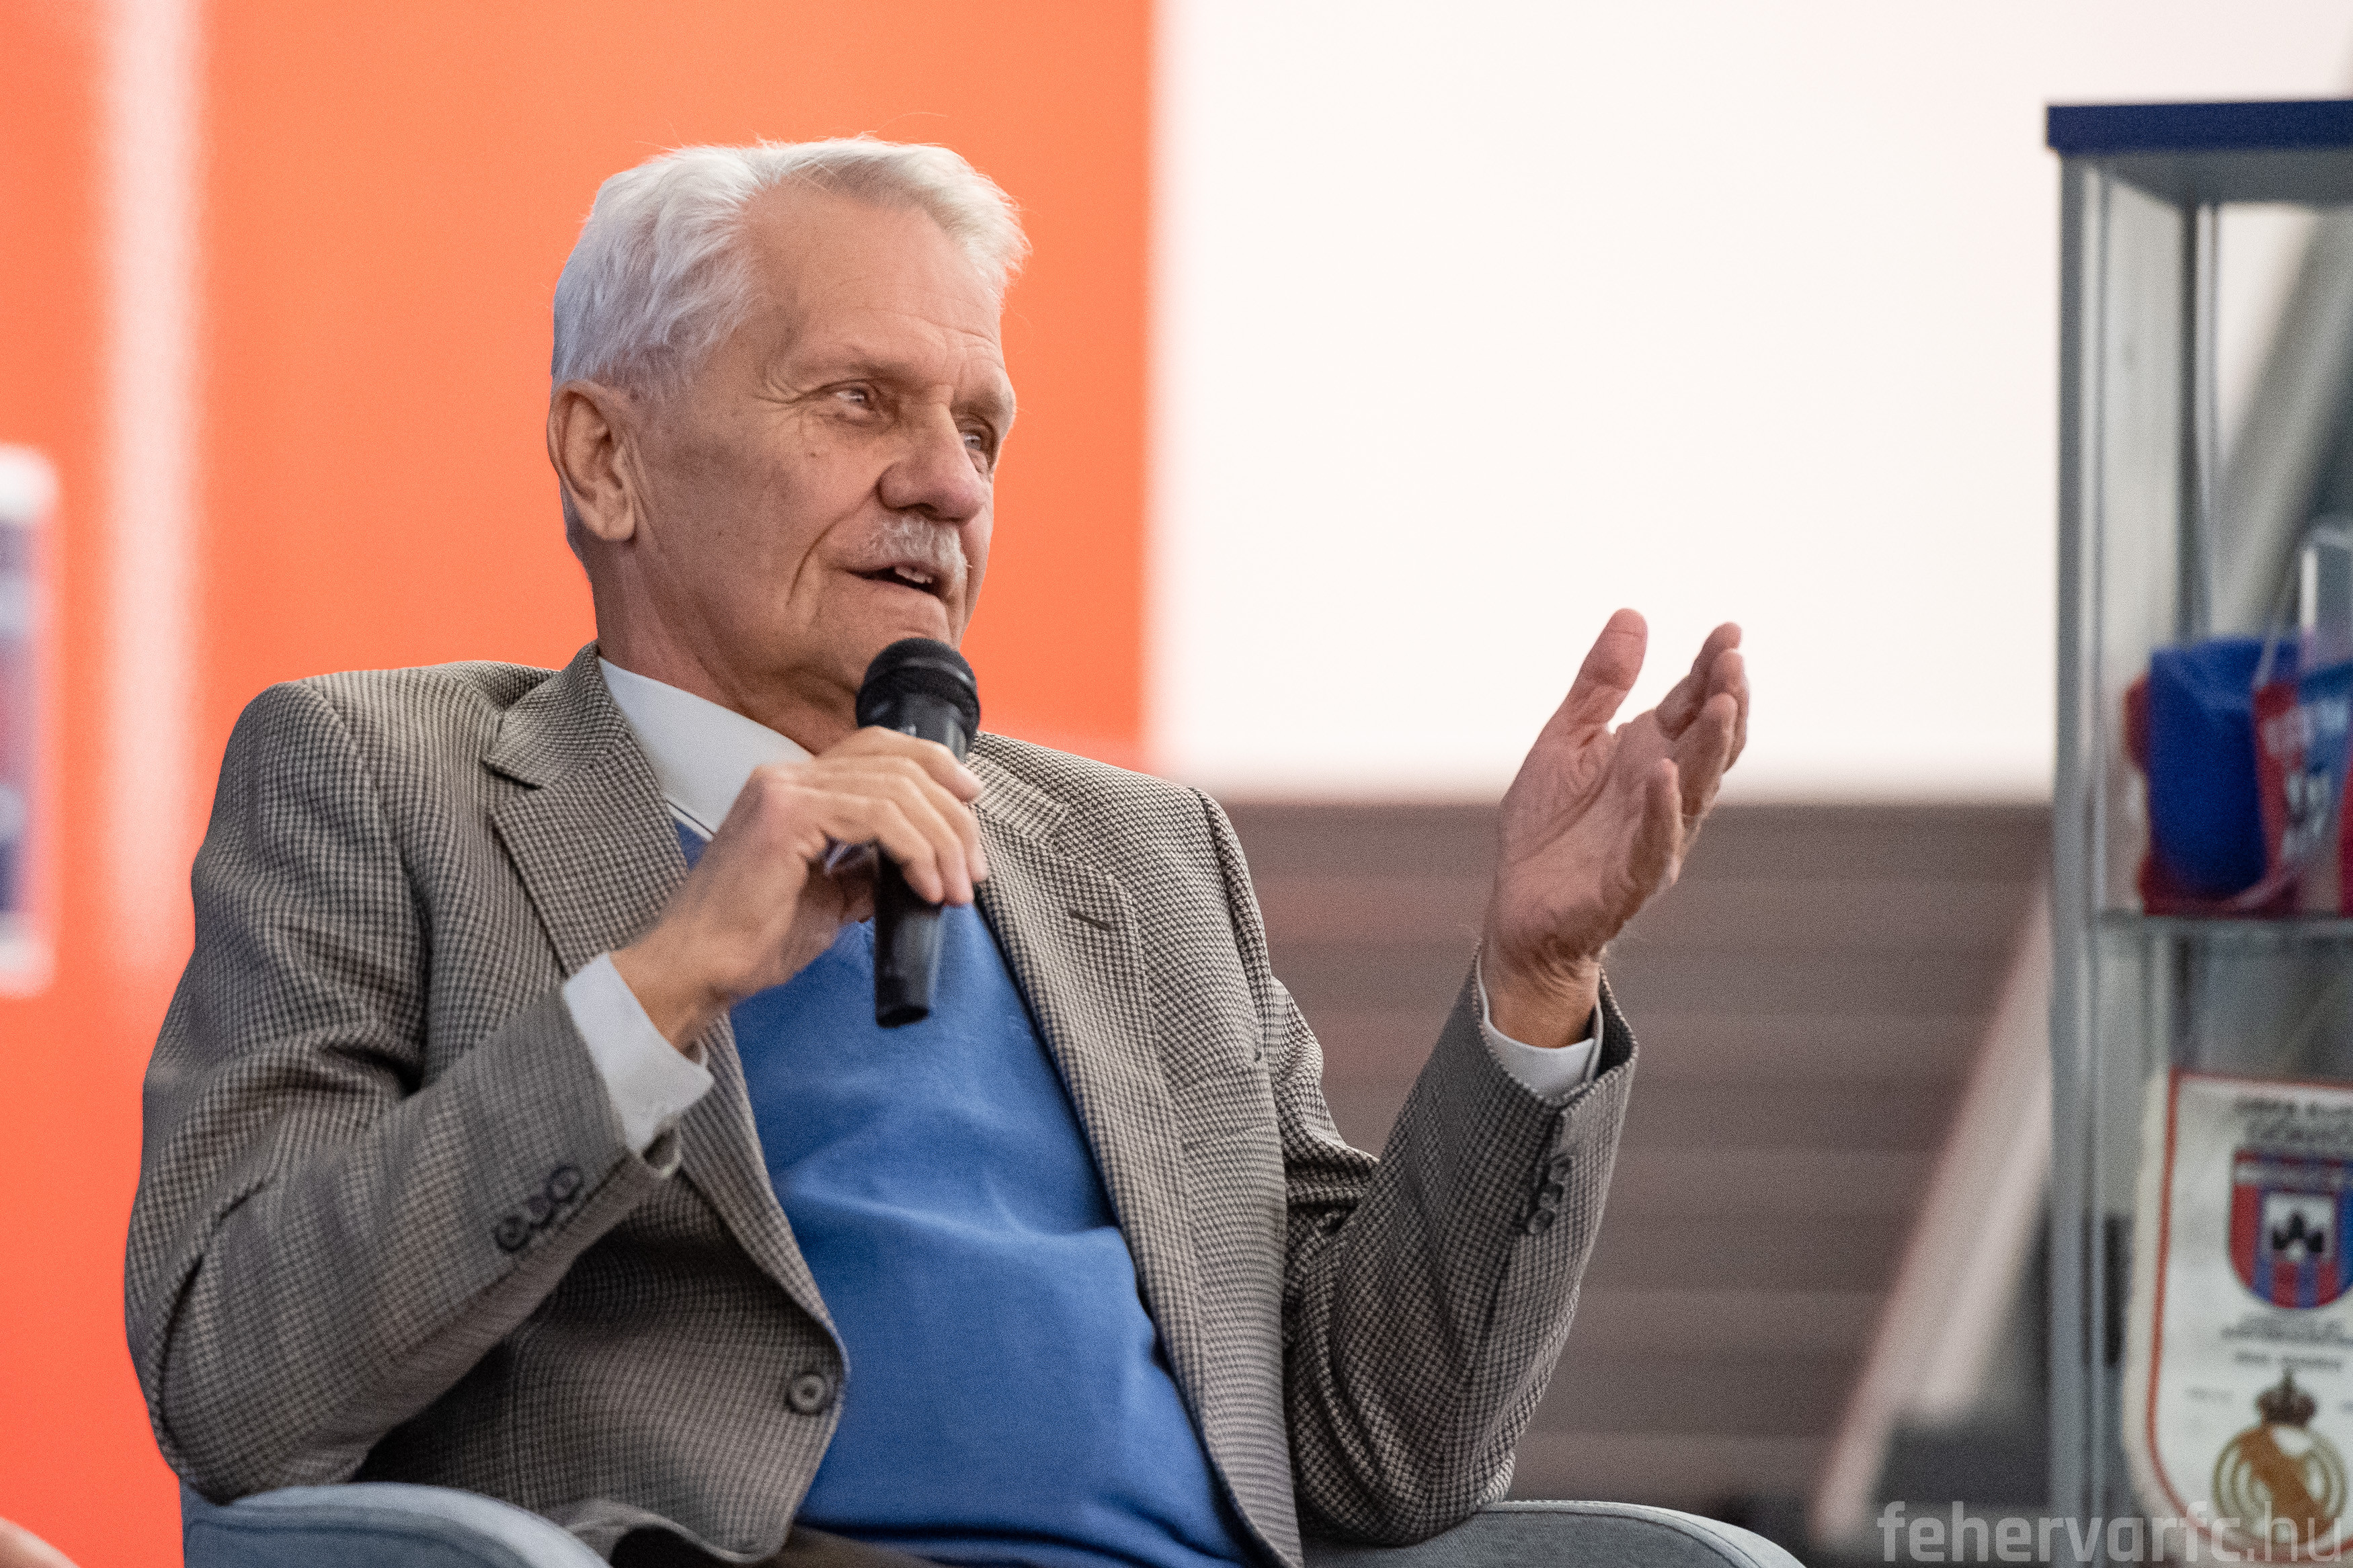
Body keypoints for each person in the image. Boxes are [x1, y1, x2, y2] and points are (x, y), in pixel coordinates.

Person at [126, 140, 1749, 1568]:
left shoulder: (1144, 852)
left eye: (981, 429)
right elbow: (237, 1386)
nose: (949, 484)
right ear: (607, 458)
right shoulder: (378, 782)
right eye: (859, 401)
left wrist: (1538, 983)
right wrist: (662, 986)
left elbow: (1383, 1449)